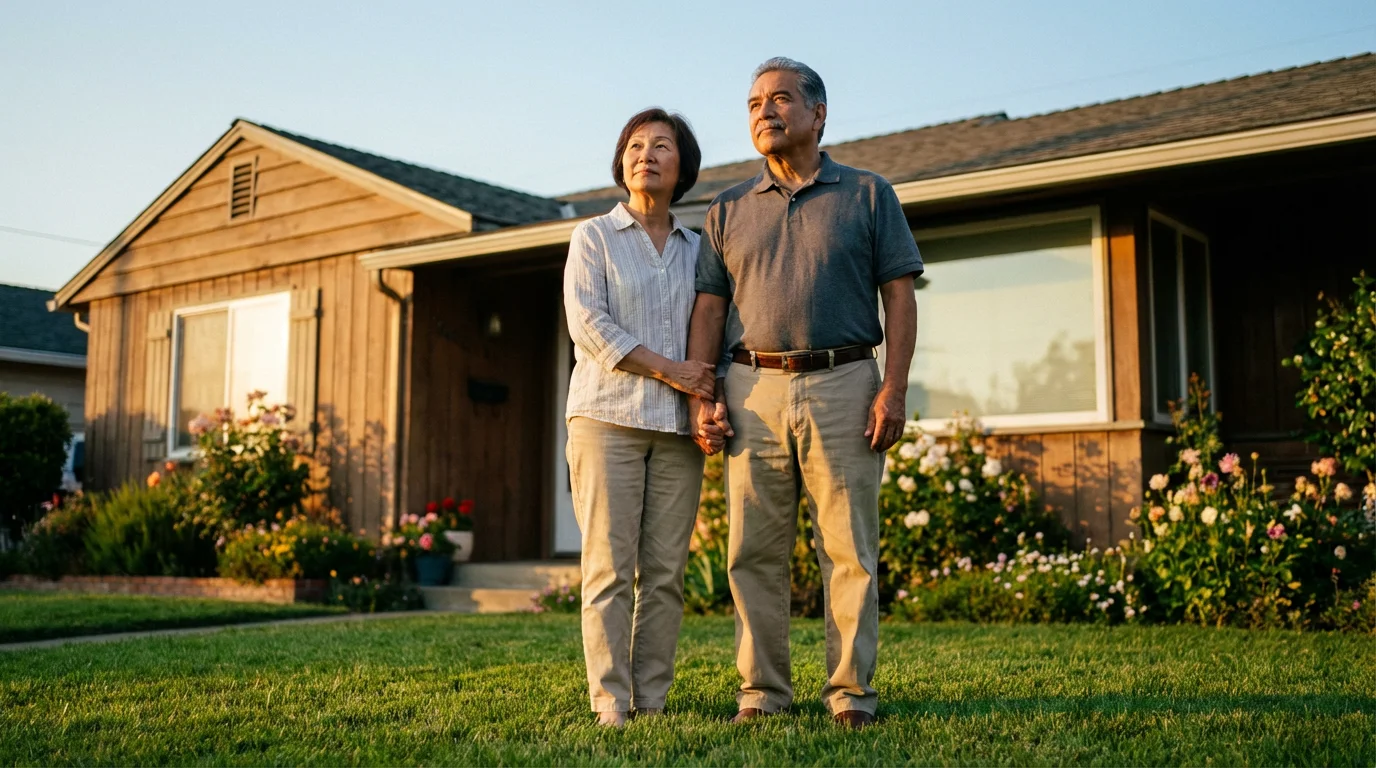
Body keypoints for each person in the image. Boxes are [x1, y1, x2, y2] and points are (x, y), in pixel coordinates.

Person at [686, 58, 923, 729]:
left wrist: (894, 390)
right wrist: (705, 396)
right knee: (752, 551)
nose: (765, 111)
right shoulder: (727, 208)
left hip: (846, 380)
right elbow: (708, 310)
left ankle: (851, 695)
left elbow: (900, 300)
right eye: (755, 101)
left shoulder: (870, 194)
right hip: (751, 384)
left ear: (819, 114)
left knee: (849, 550)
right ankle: (761, 691)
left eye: (781, 99)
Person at [562, 107, 714, 728]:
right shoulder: (594, 237)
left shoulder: (700, 248)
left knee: (666, 574)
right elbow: (590, 326)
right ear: (621, 161)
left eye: (661, 146)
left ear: (683, 166)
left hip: (677, 431)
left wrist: (702, 397)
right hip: (606, 420)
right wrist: (670, 370)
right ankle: (610, 701)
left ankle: (651, 700)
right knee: (608, 568)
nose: (644, 154)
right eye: (634, 145)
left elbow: (713, 332)